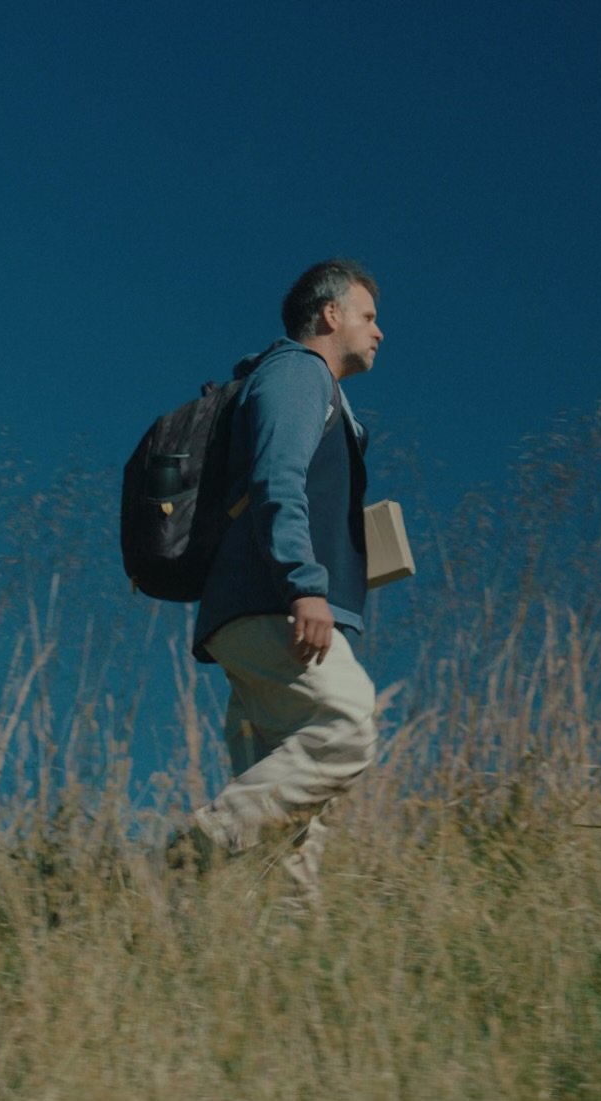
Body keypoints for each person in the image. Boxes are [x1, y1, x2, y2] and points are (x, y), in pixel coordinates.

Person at [176, 258, 383, 898]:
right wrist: (305, 585)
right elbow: (277, 481)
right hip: (274, 604)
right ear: (331, 314)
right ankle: (189, 853)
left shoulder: (311, 388)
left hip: (252, 607)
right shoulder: (297, 371)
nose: (379, 332)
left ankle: (284, 940)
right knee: (347, 727)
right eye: (368, 316)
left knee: (290, 819)